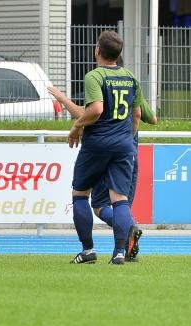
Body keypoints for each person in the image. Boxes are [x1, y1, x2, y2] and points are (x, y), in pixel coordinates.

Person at [48, 86, 156, 262]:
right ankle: (122, 250)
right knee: (122, 203)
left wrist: (62, 98)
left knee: (99, 205)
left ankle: (123, 232)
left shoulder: (101, 87)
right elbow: (152, 118)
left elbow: (86, 112)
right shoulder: (132, 88)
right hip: (129, 155)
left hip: (105, 152)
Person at [66, 30, 143, 265]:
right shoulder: (130, 77)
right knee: (119, 199)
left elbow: (96, 110)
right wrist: (125, 139)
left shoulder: (95, 76)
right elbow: (137, 115)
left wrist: (76, 126)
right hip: (123, 145)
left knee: (80, 194)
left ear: (98, 50)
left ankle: (88, 250)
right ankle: (119, 252)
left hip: (97, 143)